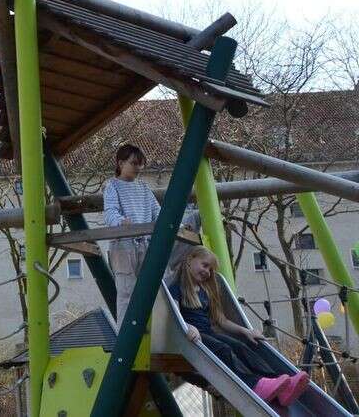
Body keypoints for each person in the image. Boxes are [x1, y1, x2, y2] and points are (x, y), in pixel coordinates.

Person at [171, 247, 310, 406]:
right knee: (224, 349)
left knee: (240, 345)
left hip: (208, 333)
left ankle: (278, 383)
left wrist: (246, 331)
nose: (207, 271)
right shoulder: (177, 287)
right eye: (204, 265)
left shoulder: (204, 291)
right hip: (193, 338)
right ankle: (254, 385)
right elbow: (173, 314)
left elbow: (221, 321)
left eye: (210, 269)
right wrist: (187, 326)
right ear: (190, 260)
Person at [102, 143, 160, 319]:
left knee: (149, 288)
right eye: (134, 163)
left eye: (140, 164)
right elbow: (110, 211)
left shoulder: (143, 187)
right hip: (123, 244)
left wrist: (173, 224)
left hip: (144, 242)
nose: (139, 168)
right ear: (121, 163)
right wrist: (120, 222)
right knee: (126, 290)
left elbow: (157, 212)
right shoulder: (112, 185)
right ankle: (125, 333)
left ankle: (148, 329)